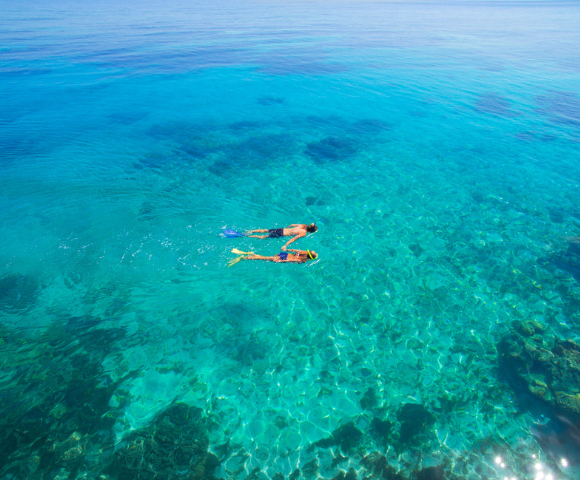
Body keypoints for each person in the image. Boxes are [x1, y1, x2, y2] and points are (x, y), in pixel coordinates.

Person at [246, 223, 318, 250]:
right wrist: (285, 245)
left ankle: (250, 231)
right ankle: (247, 236)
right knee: (264, 237)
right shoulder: (303, 233)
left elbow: (292, 224)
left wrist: (287, 228)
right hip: (281, 234)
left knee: (266, 230)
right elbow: (293, 239)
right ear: (311, 231)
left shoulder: (303, 225)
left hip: (282, 229)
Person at [229, 249, 318, 266]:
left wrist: (287, 249)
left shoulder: (304, 252)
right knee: (265, 258)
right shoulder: (304, 261)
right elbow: (292, 260)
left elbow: (295, 250)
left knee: (267, 257)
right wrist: (280, 261)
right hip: (284, 259)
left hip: (284, 254)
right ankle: (243, 258)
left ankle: (253, 254)